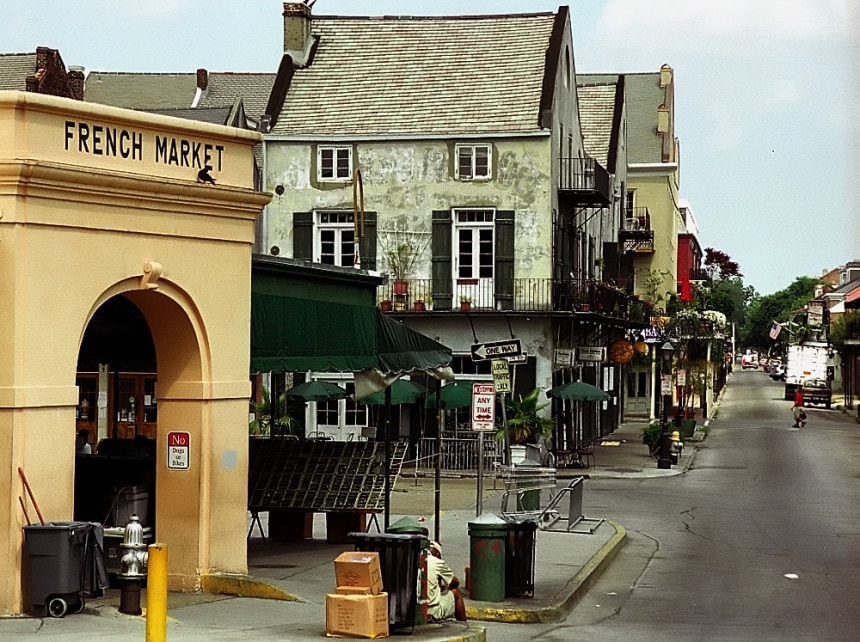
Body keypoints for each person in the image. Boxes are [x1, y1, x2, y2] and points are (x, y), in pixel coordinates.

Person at [426, 541, 467, 622]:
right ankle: (464, 624)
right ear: (437, 554)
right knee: (456, 593)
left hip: (413, 609)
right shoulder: (437, 562)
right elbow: (455, 582)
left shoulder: (413, 559)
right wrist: (448, 587)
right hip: (431, 611)